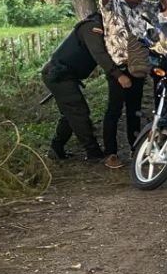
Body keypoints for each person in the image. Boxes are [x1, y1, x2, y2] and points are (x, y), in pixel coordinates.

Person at [99, 0, 159, 169]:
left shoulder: (143, 6)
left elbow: (161, 12)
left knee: (135, 110)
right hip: (118, 65)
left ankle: (136, 147)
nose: (141, 1)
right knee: (114, 109)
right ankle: (111, 152)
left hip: (138, 64)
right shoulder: (112, 3)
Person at [40, 13, 117, 162]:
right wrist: (117, 74)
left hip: (65, 74)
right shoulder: (92, 28)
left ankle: (56, 149)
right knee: (78, 112)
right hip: (59, 74)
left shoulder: (99, 28)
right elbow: (99, 54)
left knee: (71, 113)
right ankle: (93, 152)